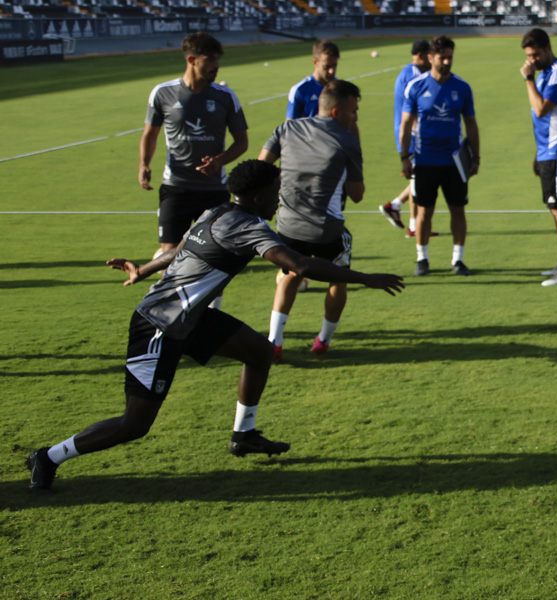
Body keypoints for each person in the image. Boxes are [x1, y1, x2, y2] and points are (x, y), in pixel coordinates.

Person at [25, 160, 404, 493]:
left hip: (192, 318)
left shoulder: (215, 212)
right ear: (257, 197)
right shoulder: (248, 225)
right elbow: (298, 265)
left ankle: (244, 435)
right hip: (160, 325)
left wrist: (144, 268)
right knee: (134, 424)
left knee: (258, 351)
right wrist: (363, 277)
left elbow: (180, 249)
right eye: (275, 193)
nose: (278, 201)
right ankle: (49, 456)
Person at [260, 80, 365, 359]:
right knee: (338, 279)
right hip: (325, 230)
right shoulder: (346, 142)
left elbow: (260, 168)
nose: (356, 117)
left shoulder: (286, 129)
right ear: (336, 112)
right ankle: (323, 340)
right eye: (353, 111)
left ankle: (275, 341)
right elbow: (357, 195)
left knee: (289, 276)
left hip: (286, 226)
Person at [139, 32, 249, 267]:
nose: (216, 66)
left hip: (214, 190)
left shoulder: (225, 97)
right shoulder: (163, 93)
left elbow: (242, 142)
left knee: (213, 258)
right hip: (176, 188)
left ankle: (204, 304)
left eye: (218, 60)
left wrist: (219, 161)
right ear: (192, 60)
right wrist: (144, 164)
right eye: (210, 60)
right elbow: (150, 134)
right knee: (169, 258)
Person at [399, 35, 480, 277]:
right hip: (425, 160)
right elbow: (405, 124)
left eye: (450, 57)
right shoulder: (416, 86)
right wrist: (404, 156)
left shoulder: (462, 87)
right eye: (442, 57)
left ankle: (458, 259)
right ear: (430, 57)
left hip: (454, 161)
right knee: (424, 211)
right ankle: (422, 258)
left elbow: (471, 124)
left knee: (458, 210)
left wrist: (476, 157)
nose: (447, 62)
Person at [520, 28, 557, 287]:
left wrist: (528, 80)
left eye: (535, 54)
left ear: (547, 48)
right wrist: (538, 153)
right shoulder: (545, 74)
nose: (532, 60)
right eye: (529, 56)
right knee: (554, 209)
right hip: (548, 151)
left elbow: (541, 109)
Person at [380, 40, 438, 239]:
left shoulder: (407, 72)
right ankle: (414, 226)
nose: (433, 61)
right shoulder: (415, 76)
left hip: (408, 135)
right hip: (413, 138)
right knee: (419, 181)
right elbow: (414, 111)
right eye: (430, 56)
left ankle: (395, 206)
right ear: (422, 55)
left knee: (418, 178)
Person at [286, 40, 341, 121]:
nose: (331, 71)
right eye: (327, 66)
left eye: (334, 65)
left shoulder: (341, 88)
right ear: (315, 62)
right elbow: (290, 126)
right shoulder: (300, 90)